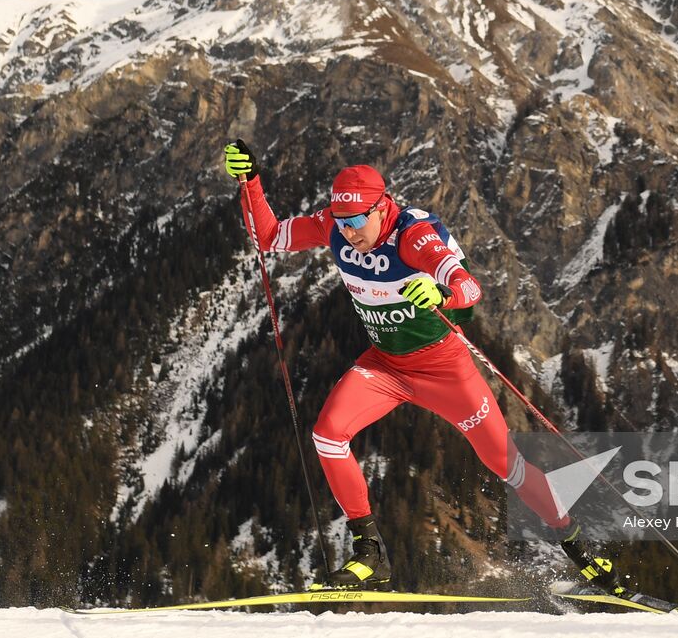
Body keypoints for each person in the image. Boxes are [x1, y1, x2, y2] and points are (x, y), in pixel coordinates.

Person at [223, 139, 624, 593]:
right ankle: (369, 553)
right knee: (328, 435)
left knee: (506, 465)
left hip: (444, 371)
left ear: (382, 207)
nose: (349, 232)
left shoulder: (413, 234)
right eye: (341, 222)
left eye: (357, 221)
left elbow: (468, 288)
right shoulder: (336, 228)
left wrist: (441, 294)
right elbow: (269, 237)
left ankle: (576, 548)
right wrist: (251, 182)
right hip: (385, 367)